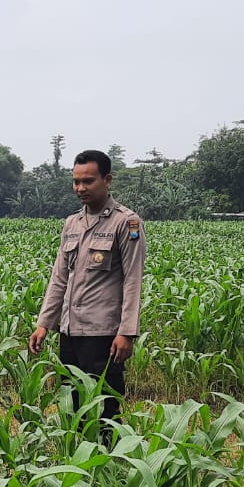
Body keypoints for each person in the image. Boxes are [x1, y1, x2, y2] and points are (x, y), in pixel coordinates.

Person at [28, 149, 146, 428]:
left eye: (88, 181)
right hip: (70, 331)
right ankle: (76, 460)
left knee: (105, 406)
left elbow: (133, 280)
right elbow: (59, 277)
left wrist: (127, 332)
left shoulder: (126, 223)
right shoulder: (72, 223)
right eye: (76, 181)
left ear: (107, 180)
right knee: (71, 402)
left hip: (104, 334)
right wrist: (44, 323)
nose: (80, 188)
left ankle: (106, 463)